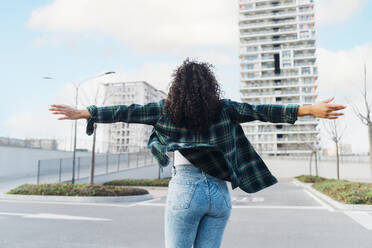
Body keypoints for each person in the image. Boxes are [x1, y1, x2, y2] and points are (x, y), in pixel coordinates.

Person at [49, 58, 346, 248]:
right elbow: (262, 111)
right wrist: (310, 109)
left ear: (176, 87)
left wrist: (83, 113)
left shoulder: (165, 110)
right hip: (219, 194)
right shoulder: (225, 108)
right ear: (210, 87)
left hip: (185, 189)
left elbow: (126, 111)